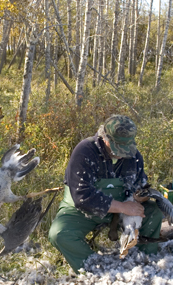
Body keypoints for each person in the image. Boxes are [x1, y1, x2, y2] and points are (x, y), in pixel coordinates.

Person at [49, 115, 164, 272]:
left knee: (154, 213)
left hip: (121, 209)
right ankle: (95, 269)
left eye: (126, 148)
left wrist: (138, 197)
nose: (122, 153)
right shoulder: (85, 152)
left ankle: (144, 262)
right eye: (118, 147)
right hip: (81, 211)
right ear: (104, 137)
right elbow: (82, 197)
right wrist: (123, 207)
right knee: (59, 234)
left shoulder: (134, 155)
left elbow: (140, 185)